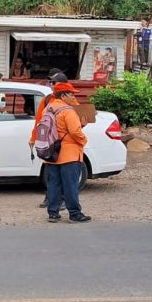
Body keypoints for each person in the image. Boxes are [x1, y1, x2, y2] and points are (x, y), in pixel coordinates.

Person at [44, 82, 91, 223]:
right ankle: (75, 213)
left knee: (54, 184)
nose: (73, 96)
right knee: (70, 185)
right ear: (63, 95)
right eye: (71, 94)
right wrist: (84, 140)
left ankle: (53, 213)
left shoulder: (49, 108)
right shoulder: (68, 111)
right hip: (69, 154)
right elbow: (75, 132)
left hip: (52, 153)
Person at [29, 68, 70, 210]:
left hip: (65, 143)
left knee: (65, 174)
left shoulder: (71, 100)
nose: (51, 85)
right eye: (50, 82)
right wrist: (34, 138)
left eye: (53, 82)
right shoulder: (47, 99)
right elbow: (39, 121)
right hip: (50, 142)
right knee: (51, 173)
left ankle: (63, 199)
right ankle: (50, 198)